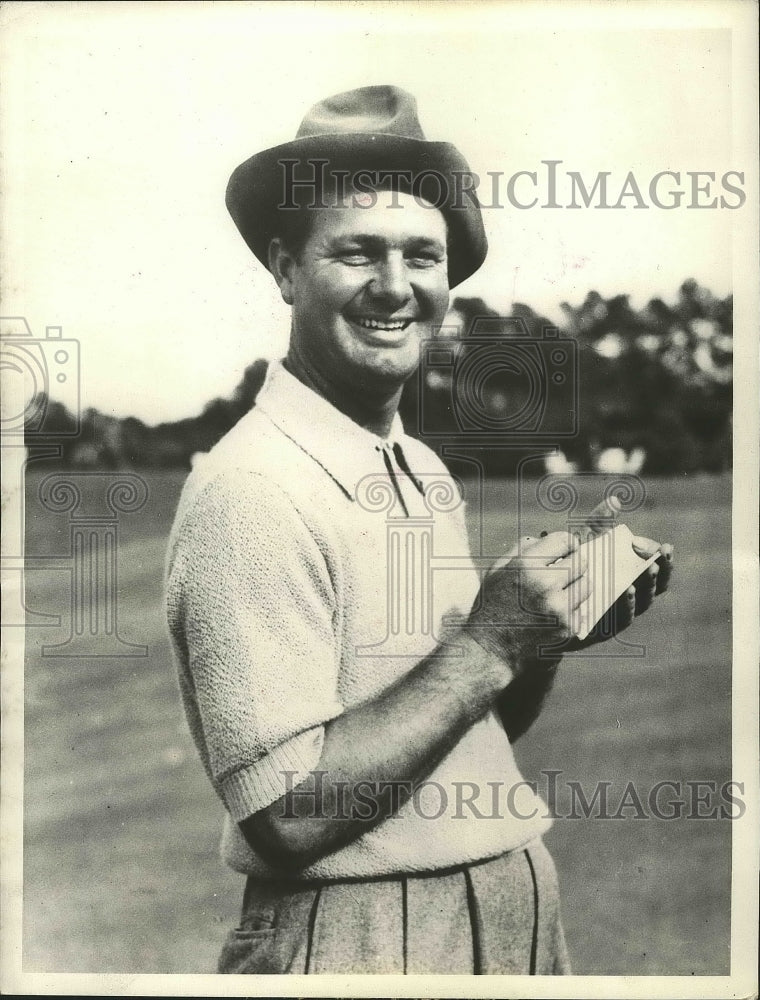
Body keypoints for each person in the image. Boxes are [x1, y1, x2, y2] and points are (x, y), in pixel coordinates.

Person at [165, 84, 673, 975]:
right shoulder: (251, 488)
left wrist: (539, 639)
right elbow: (287, 816)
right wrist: (487, 641)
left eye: (422, 255)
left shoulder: (421, 471)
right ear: (286, 270)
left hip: (503, 910)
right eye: (358, 252)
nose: (395, 287)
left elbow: (443, 746)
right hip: (359, 935)